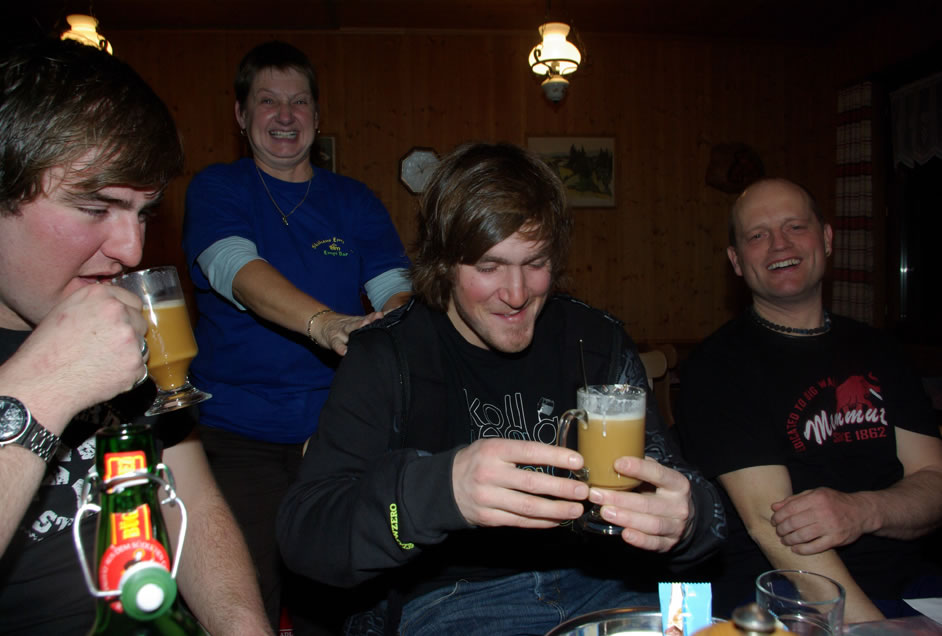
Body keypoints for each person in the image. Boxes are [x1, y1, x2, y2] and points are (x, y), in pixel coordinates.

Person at [277, 142, 725, 635]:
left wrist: (689, 520)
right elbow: (305, 537)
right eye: (489, 267)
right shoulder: (387, 355)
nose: (517, 294)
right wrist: (441, 491)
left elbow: (692, 503)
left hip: (608, 583)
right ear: (444, 262)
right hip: (454, 602)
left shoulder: (595, 341)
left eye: (535, 262)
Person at [0, 39, 272, 634]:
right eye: (96, 208)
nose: (132, 249)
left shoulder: (124, 322)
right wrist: (46, 385)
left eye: (143, 212)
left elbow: (188, 499)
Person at [181, 40, 411, 631]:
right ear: (240, 115)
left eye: (299, 102)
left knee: (337, 602)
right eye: (268, 101)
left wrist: (403, 321)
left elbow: (395, 287)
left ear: (316, 114)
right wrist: (324, 323)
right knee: (243, 602)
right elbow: (235, 269)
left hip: (335, 436)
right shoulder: (218, 187)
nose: (285, 116)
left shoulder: (352, 199)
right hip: (236, 436)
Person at [676, 177, 942, 622]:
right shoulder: (717, 365)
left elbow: (934, 481)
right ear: (737, 261)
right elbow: (771, 528)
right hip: (781, 596)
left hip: (913, 586)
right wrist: (872, 631)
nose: (779, 244)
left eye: (795, 226)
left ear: (827, 238)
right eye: (757, 235)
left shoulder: (882, 350)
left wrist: (862, 510)